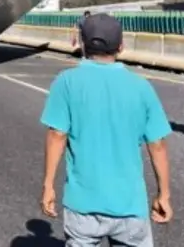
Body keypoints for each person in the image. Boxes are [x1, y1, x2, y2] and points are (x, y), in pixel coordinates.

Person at [40, 13, 173, 247]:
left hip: (82, 204)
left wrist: (48, 185)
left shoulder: (66, 82)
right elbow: (157, 144)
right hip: (130, 205)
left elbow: (57, 135)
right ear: (121, 46)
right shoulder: (141, 86)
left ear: (83, 43)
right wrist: (164, 194)